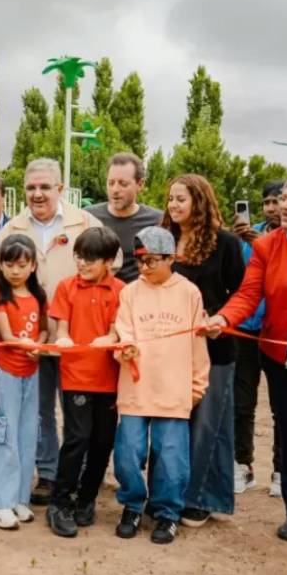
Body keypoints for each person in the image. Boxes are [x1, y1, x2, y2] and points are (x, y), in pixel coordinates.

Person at [206, 172, 287, 543]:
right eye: (284, 199)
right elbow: (248, 294)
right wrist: (223, 317)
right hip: (284, 354)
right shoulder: (267, 247)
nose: (284, 205)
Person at [0, 158, 105, 506]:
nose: (37, 194)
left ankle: (76, 475)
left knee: (77, 410)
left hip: (76, 339)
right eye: (31, 187)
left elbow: (107, 268)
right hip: (29, 341)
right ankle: (48, 473)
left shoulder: (85, 222)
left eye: (44, 187)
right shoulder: (12, 229)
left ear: (60, 188)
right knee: (38, 412)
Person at [113, 226, 210, 545]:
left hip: (174, 389)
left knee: (171, 457)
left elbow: (198, 344)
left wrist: (197, 386)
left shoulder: (189, 293)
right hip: (136, 389)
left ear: (171, 258)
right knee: (127, 453)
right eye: (139, 261)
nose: (143, 268)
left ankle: (167, 514)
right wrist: (123, 348)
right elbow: (121, 331)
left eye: (151, 261)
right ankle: (132, 505)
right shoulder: (129, 293)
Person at [162, 174, 244, 528]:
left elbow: (242, 293)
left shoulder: (225, 243)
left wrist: (220, 316)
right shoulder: (163, 240)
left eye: (181, 198)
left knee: (208, 425)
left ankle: (199, 499)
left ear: (200, 200)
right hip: (170, 349)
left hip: (214, 348)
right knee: (174, 424)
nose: (174, 205)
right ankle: (169, 493)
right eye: (170, 199)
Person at [47, 227, 125, 538]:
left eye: (90, 260)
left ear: (108, 261)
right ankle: (60, 501)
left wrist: (110, 337)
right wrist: (63, 339)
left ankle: (87, 498)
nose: (82, 264)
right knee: (77, 438)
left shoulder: (121, 290)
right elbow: (61, 328)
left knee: (102, 441)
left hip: (108, 380)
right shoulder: (67, 287)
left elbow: (116, 328)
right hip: (76, 376)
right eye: (79, 257)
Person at [0, 234, 48, 529]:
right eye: (9, 264)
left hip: (31, 371)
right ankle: (0, 501)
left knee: (27, 435)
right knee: (4, 434)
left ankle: (20, 497)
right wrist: (31, 347)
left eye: (22, 264)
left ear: (33, 266)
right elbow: (7, 336)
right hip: (6, 370)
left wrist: (40, 347)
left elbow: (45, 331)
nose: (15, 270)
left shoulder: (39, 296)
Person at [230, 180, 284, 496]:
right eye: (266, 202)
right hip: (245, 330)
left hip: (279, 333)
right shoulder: (245, 239)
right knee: (242, 403)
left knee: (284, 405)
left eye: (277, 201)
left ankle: (281, 470)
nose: (271, 208)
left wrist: (266, 244)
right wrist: (235, 242)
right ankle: (242, 465)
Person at [85, 152, 163, 283]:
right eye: (111, 183)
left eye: (123, 184)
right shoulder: (88, 217)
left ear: (140, 184)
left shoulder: (157, 221)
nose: (115, 189)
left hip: (139, 299)